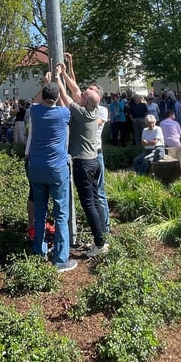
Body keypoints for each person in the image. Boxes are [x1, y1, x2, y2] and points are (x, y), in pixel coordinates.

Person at [57, 58, 109, 257]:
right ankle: (101, 235)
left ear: (85, 102)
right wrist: (65, 72)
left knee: (88, 203)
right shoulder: (92, 108)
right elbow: (75, 89)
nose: (80, 94)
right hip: (93, 160)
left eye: (84, 95)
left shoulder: (81, 113)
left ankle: (100, 243)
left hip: (84, 163)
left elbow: (65, 94)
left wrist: (56, 78)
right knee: (95, 200)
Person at [27, 71, 77, 272]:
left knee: (40, 211)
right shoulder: (63, 113)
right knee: (61, 212)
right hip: (57, 169)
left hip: (36, 168)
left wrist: (46, 83)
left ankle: (39, 251)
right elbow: (69, 102)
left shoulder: (36, 112)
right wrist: (59, 79)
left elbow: (35, 101)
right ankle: (60, 259)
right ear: (56, 97)